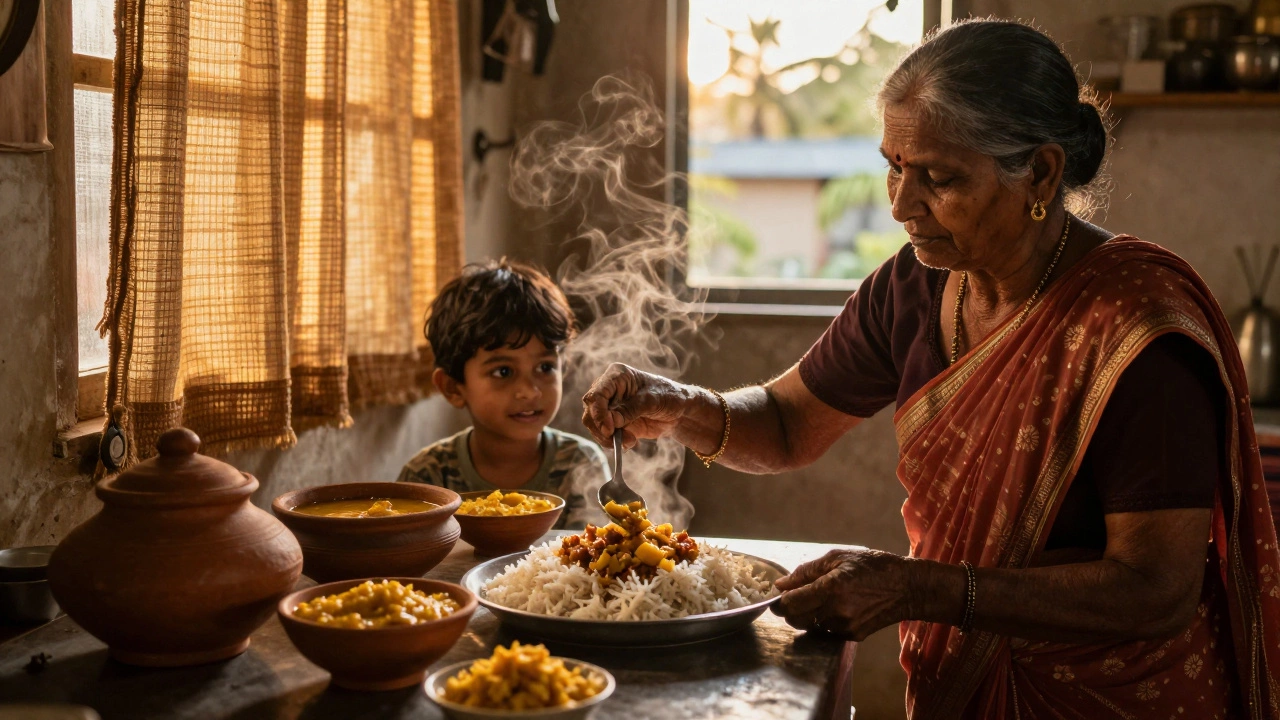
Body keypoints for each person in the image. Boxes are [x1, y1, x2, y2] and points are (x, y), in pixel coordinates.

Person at [580, 20, 1280, 719]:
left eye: (939, 179)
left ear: (1040, 172)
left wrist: (920, 590)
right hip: (961, 681)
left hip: (1113, 697)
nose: (899, 205)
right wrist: (683, 406)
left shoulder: (1136, 334)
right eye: (893, 166)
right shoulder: (913, 287)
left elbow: (1155, 590)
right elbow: (791, 424)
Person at [400, 259, 608, 529]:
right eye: (503, 372)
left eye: (545, 367)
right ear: (453, 387)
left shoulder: (580, 465)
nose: (529, 390)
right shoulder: (428, 476)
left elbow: (593, 558)